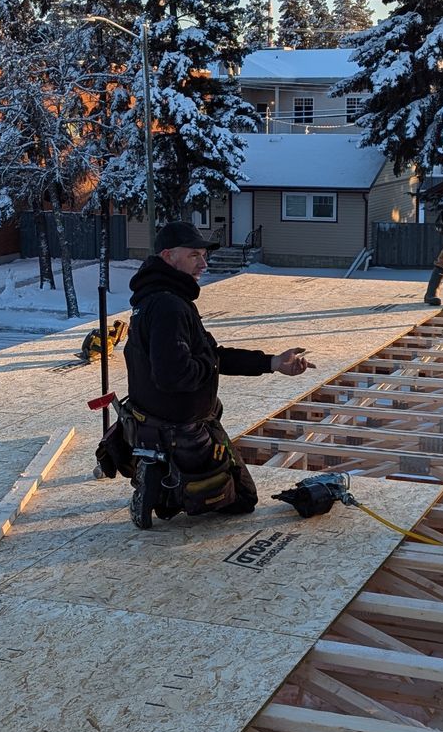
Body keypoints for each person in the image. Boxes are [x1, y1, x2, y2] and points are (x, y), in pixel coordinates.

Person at [124, 219, 312, 517]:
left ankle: (164, 476)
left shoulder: (162, 298)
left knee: (230, 489)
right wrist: (209, 363)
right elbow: (175, 376)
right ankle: (161, 487)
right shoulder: (168, 308)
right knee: (241, 499)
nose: (204, 263)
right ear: (168, 257)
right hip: (180, 427)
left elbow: (211, 355)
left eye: (204, 254)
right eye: (194, 255)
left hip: (157, 419)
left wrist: (272, 362)